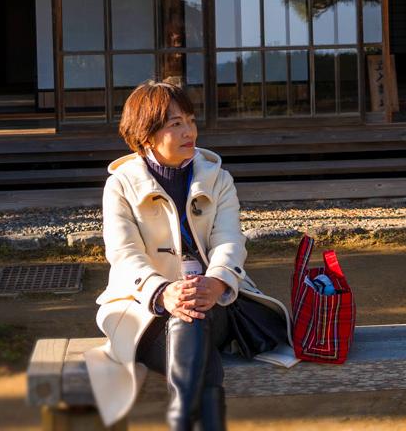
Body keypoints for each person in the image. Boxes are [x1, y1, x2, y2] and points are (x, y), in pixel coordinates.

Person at [84, 80, 290, 430]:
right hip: (142, 310)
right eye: (174, 124)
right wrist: (164, 292)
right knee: (188, 320)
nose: (188, 131)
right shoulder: (121, 184)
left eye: (190, 120)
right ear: (146, 135)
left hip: (215, 305)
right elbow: (123, 252)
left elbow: (230, 241)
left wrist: (216, 281)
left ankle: (182, 419)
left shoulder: (218, 179)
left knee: (192, 314)